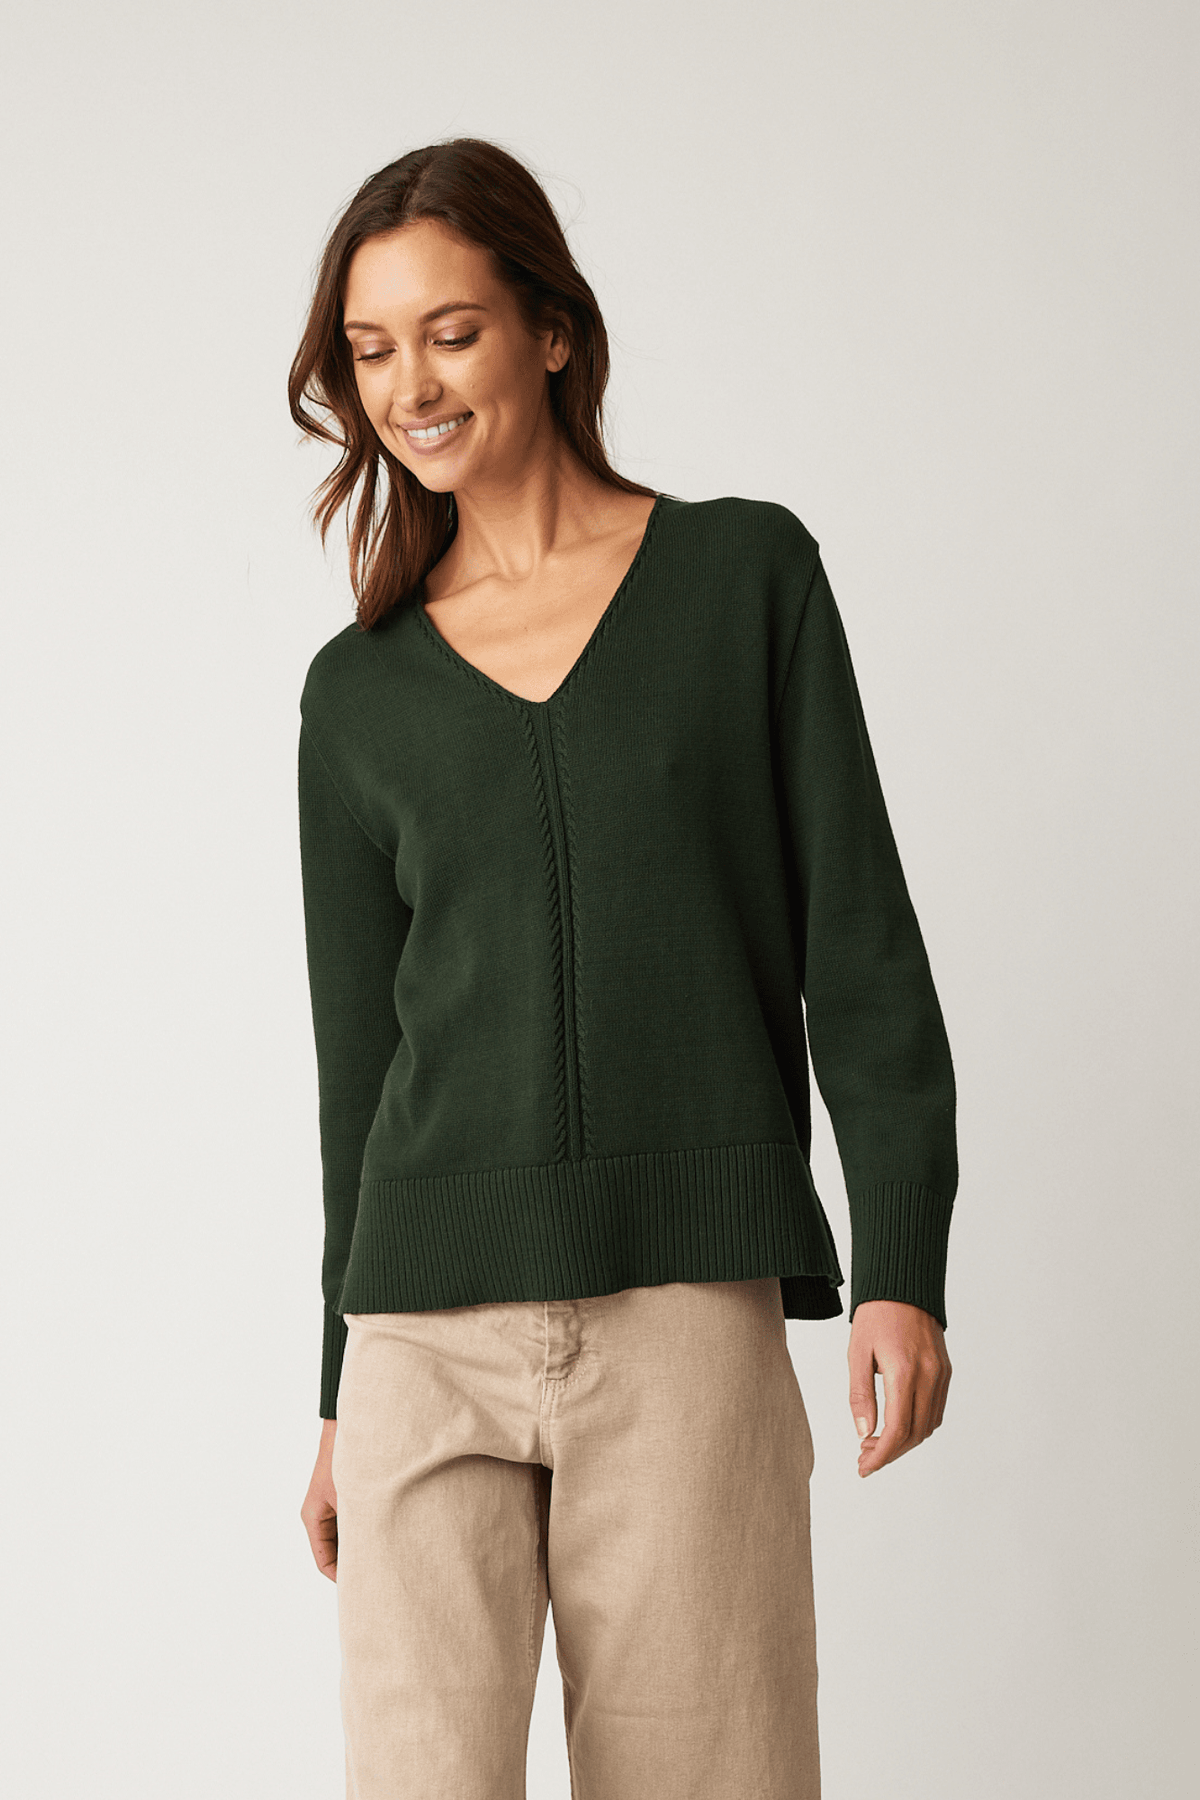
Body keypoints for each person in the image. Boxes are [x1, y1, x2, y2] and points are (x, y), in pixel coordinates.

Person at [289, 137, 957, 1800]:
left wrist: (902, 1261)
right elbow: (357, 1073)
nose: (409, 386)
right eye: (370, 351)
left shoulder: (746, 579)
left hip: (684, 1324)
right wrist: (334, 1393)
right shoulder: (356, 693)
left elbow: (860, 944)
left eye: (450, 332)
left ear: (552, 330)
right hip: (418, 1345)